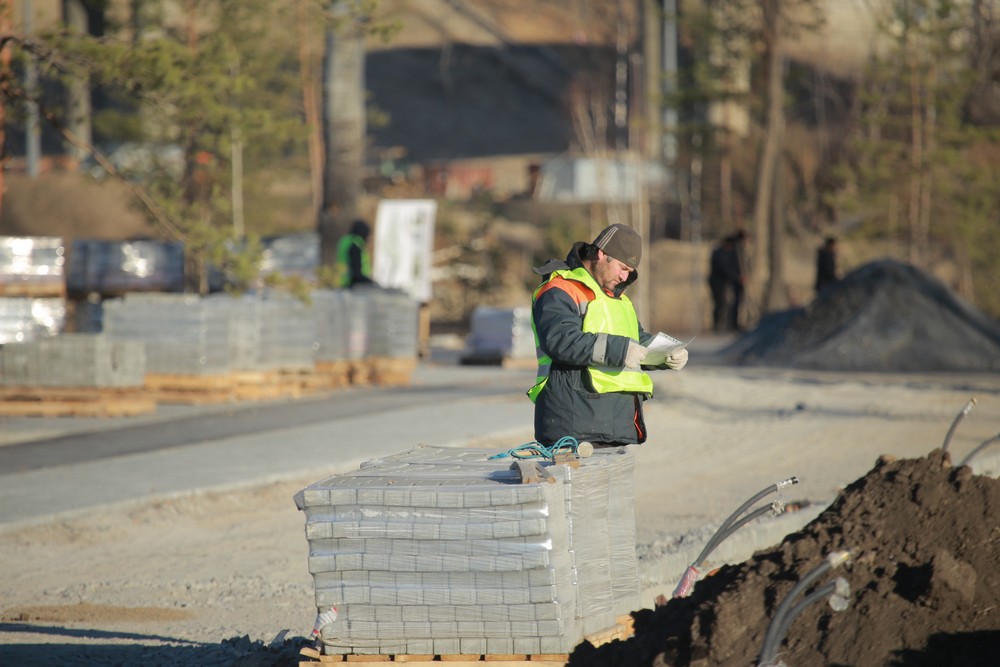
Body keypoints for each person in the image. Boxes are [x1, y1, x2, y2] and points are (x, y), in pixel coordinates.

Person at [527, 223, 688, 448]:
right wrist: (622, 351)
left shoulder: (618, 300)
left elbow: (635, 340)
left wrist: (666, 354)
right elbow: (561, 340)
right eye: (623, 267)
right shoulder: (560, 289)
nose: (624, 277)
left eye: (630, 272)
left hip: (616, 428)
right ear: (602, 254)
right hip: (574, 428)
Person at [708, 235, 737, 332]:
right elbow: (724, 268)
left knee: (725, 303)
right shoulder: (720, 253)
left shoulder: (723, 253)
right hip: (717, 282)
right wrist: (736, 277)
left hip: (723, 281)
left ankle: (724, 324)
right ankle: (717, 325)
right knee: (720, 303)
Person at [335, 219, 374, 288]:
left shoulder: (345, 240)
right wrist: (370, 282)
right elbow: (356, 273)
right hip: (351, 285)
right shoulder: (355, 245)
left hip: (341, 282)